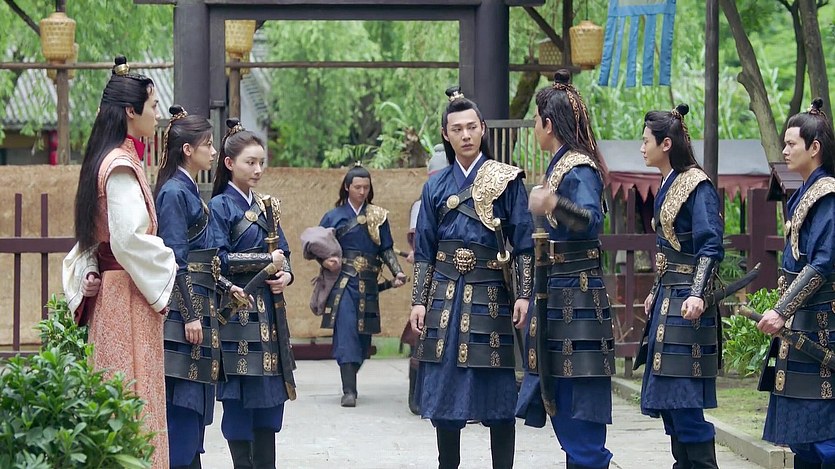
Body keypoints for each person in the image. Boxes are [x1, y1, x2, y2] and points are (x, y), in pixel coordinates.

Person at [409, 87, 533, 469]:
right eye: (457, 129)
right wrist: (418, 301)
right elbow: (424, 250)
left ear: (482, 130)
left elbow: (524, 243)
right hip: (444, 298)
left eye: (471, 127)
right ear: (445, 135)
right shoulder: (435, 186)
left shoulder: (506, 180)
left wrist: (523, 294)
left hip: (490, 294)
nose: (465, 135)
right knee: (445, 395)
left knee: (498, 396)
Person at [62, 56, 176, 469]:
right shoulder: (120, 165)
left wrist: (92, 269)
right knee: (133, 394)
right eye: (153, 106)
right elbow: (127, 240)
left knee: (117, 392)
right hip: (126, 295)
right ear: (131, 111)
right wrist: (168, 265)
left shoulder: (107, 159)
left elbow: (95, 238)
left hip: (114, 294)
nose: (157, 114)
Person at [514, 70, 614, 469]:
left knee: (578, 402)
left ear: (548, 124)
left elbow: (590, 220)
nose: (534, 127)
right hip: (557, 292)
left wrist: (553, 204)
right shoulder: (561, 166)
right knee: (561, 400)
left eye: (536, 121)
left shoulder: (578, 168)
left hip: (578, 297)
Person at [154, 105, 246, 468]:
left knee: (195, 405)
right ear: (187, 149)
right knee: (183, 403)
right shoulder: (174, 192)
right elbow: (175, 259)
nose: (213, 151)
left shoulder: (188, 189)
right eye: (207, 144)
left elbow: (201, 257)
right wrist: (190, 315)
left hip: (199, 304)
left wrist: (224, 284)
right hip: (184, 313)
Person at [636, 103, 724, 468]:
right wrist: (655, 290)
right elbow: (669, 248)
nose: (642, 147)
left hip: (688, 303)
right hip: (668, 299)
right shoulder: (667, 183)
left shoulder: (696, 184)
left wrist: (697, 293)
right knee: (670, 406)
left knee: (684, 402)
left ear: (666, 144)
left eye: (646, 141)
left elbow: (709, 244)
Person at [208, 118, 293, 468]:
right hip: (237, 313)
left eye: (261, 162)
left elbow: (284, 254)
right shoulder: (220, 206)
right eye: (250, 162)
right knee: (240, 399)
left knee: (269, 398)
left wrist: (285, 275)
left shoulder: (268, 206)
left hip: (270, 314)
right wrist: (267, 261)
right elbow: (218, 259)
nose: (258, 169)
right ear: (230, 163)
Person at [756, 98, 835, 469]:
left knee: (823, 433)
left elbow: (823, 262)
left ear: (814, 148)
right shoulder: (804, 192)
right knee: (801, 438)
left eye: (791, 144)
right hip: (799, 324)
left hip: (822, 325)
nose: (785, 150)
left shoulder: (827, 194)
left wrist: (781, 309)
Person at [319, 163, 407, 407]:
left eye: (366, 187)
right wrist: (325, 261)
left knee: (363, 339)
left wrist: (397, 272)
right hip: (344, 282)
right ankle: (349, 391)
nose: (362, 191)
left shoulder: (378, 216)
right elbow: (317, 244)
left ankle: (350, 375)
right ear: (347, 187)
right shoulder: (333, 216)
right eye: (357, 187)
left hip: (368, 283)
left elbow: (386, 248)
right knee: (347, 331)